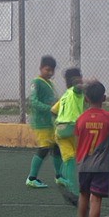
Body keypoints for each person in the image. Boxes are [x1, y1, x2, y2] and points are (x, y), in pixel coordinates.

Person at [73, 80, 109, 217]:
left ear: (86, 99)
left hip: (84, 165)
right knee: (96, 200)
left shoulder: (81, 119)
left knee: (83, 195)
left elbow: (78, 141)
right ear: (104, 98)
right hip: (101, 166)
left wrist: (79, 158)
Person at [25, 55, 63, 189]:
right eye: (47, 70)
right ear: (40, 68)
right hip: (41, 123)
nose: (50, 73)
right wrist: (50, 108)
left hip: (50, 122)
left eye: (52, 70)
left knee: (56, 148)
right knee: (44, 149)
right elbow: (33, 101)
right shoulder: (36, 82)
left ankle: (59, 176)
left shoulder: (50, 83)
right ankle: (31, 178)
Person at [51, 67, 84, 206]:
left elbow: (53, 111)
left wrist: (57, 125)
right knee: (84, 155)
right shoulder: (76, 92)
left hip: (60, 130)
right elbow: (78, 88)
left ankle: (66, 184)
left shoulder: (65, 95)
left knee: (69, 158)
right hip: (72, 127)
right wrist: (90, 83)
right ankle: (76, 192)